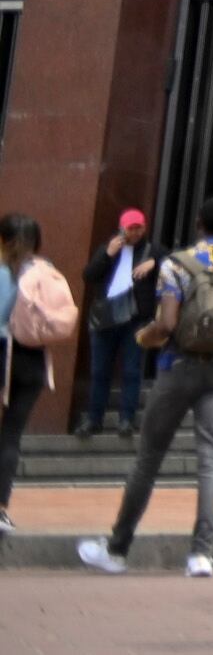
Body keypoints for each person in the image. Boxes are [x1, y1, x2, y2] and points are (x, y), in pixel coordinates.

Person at [79, 196, 213, 579]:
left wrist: (146, 338)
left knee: (149, 458)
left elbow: (166, 322)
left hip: (178, 364)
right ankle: (201, 554)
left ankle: (117, 548)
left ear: (198, 223)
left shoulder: (176, 264)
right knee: (212, 455)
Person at [0, 213, 63, 535]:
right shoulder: (45, 271)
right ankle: (0, 509)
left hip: (3, 351)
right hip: (32, 359)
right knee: (10, 435)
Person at [79, 208, 157, 439]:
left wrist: (153, 263)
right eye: (130, 227)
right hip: (106, 318)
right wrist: (108, 254)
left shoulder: (152, 251)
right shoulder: (109, 248)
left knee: (132, 370)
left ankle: (126, 420)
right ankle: (94, 419)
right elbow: (89, 275)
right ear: (122, 227)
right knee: (100, 370)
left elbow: (169, 263)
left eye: (138, 227)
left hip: (135, 318)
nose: (134, 232)